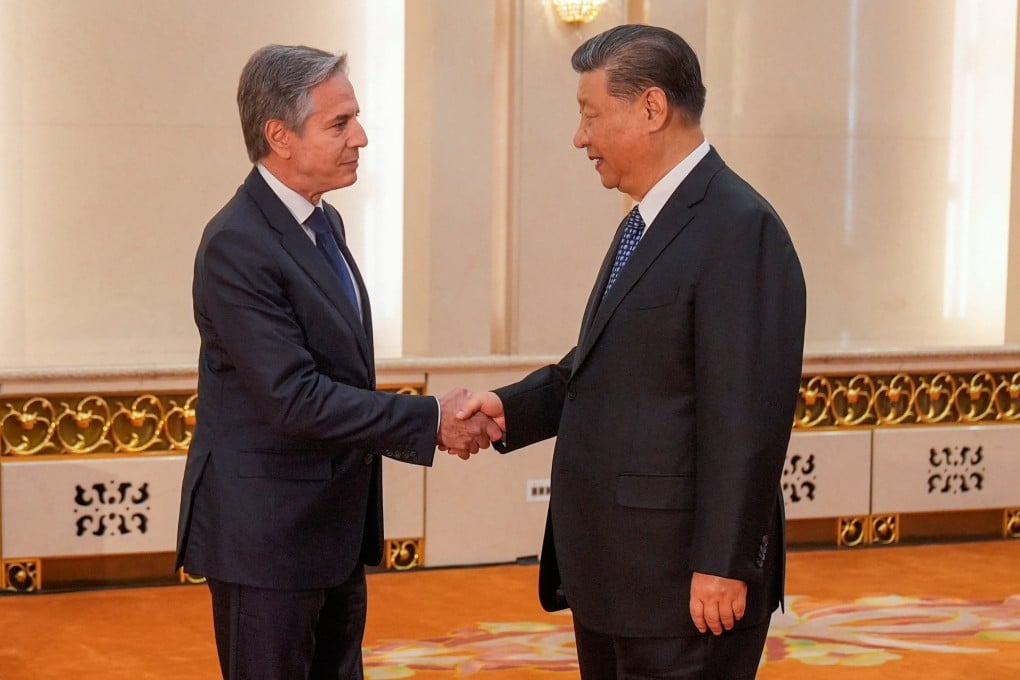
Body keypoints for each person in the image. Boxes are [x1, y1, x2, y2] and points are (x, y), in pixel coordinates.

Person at [455, 24, 806, 679]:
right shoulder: (643, 224)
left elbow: (746, 421)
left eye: (589, 115)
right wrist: (508, 408)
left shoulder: (739, 228)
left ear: (650, 108)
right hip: (618, 578)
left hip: (686, 588)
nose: (578, 138)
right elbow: (601, 364)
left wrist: (724, 564)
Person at [174, 44, 502, 680]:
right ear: (280, 136)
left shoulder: (325, 226)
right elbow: (293, 396)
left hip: (330, 532)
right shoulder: (236, 244)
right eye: (339, 123)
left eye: (355, 118)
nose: (362, 137)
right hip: (266, 540)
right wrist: (432, 419)